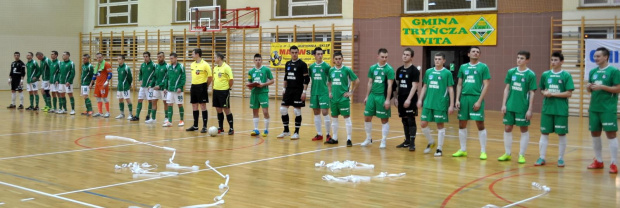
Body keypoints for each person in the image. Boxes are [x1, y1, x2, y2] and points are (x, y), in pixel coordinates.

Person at [535, 51, 574, 167]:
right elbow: (542, 89)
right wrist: (545, 92)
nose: (553, 62)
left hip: (561, 109)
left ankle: (561, 158)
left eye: (556, 60)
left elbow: (569, 93)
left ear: (561, 62)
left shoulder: (566, 75)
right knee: (544, 132)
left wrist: (553, 94)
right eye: (552, 60)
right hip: (547, 109)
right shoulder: (545, 74)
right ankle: (542, 157)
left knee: (561, 134)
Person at [453, 46, 491, 159]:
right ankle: (463, 149)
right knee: (462, 124)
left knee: (480, 124)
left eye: (478, 52)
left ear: (480, 55)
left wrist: (479, 101)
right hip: (464, 98)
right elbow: (459, 84)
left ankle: (483, 151)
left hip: (476, 98)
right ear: (468, 54)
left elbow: (486, 85)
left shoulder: (483, 67)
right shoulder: (463, 67)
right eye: (473, 51)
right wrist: (457, 99)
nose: (475, 53)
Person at [586, 47, 620, 174]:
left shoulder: (614, 71)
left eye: (598, 56)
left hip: (608, 109)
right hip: (594, 108)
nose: (595, 58)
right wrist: (589, 87)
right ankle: (598, 161)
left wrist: (602, 87)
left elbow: (618, 89)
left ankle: (613, 163)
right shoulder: (593, 71)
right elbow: (589, 90)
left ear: (606, 57)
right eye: (594, 56)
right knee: (595, 134)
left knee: (610, 135)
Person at [499, 51, 537, 164]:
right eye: (518, 58)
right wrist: (503, 104)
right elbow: (507, 88)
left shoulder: (530, 74)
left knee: (523, 129)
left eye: (522, 58)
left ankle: (521, 155)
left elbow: (532, 92)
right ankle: (507, 153)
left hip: (522, 107)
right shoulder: (511, 72)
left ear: (527, 60)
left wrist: (530, 109)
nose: (519, 60)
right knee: (507, 128)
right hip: (510, 105)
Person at [417, 52, 455, 156]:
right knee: (423, 123)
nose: (437, 61)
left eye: (439, 59)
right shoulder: (429, 72)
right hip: (428, 102)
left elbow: (451, 89)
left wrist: (451, 105)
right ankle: (431, 142)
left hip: (440, 103)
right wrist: (420, 100)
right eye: (435, 59)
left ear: (444, 61)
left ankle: (439, 148)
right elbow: (424, 86)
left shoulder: (447, 73)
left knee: (440, 125)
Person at [362, 48, 395, 149]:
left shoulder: (389, 69)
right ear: (378, 57)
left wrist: (388, 99)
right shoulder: (372, 68)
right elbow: (370, 82)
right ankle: (368, 138)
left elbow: (390, 86)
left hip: (382, 96)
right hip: (372, 95)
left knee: (384, 119)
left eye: (386, 57)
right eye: (382, 57)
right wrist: (367, 96)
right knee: (367, 117)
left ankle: (383, 140)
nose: (384, 59)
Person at [325, 52, 359, 146]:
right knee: (334, 118)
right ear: (333, 60)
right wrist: (330, 92)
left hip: (343, 99)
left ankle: (349, 139)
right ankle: (335, 138)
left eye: (339, 58)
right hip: (334, 99)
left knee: (346, 118)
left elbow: (357, 80)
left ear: (342, 59)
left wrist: (351, 92)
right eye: (336, 59)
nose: (338, 60)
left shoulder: (347, 70)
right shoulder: (331, 70)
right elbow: (329, 83)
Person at [277, 45, 309, 140]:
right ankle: (286, 130)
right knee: (282, 109)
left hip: (298, 90)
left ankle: (296, 132)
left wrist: (304, 91)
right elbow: (286, 77)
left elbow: (306, 79)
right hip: (288, 90)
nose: (294, 54)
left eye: (296, 52)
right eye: (293, 52)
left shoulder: (302, 64)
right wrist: (283, 88)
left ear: (298, 53)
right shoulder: (287, 63)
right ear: (290, 53)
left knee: (296, 111)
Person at [394, 48, 420, 151]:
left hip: (411, 99)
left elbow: (414, 87)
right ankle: (407, 141)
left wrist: (408, 100)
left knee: (410, 119)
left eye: (407, 55)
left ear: (411, 57)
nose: (405, 56)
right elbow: (396, 85)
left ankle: (412, 143)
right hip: (401, 98)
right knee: (404, 120)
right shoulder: (399, 70)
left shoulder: (414, 70)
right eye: (404, 54)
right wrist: (396, 98)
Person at [248, 53, 274, 136]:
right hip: (254, 93)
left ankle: (266, 130)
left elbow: (272, 80)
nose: (258, 62)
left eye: (259, 60)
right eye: (256, 60)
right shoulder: (251, 71)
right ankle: (256, 129)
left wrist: (263, 84)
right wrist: (249, 86)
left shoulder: (266, 70)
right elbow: (249, 81)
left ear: (261, 60)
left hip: (263, 93)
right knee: (255, 111)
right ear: (254, 61)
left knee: (265, 112)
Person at [309, 47, 332, 141]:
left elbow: (330, 80)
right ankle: (319, 134)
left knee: (325, 112)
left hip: (324, 93)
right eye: (318, 54)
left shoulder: (327, 66)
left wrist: (330, 92)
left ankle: (328, 134)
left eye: (321, 54)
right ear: (314, 55)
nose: (320, 56)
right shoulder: (311, 67)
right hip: (314, 92)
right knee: (316, 113)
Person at [186, 49, 212, 133]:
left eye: (192, 54)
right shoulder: (192, 64)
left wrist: (206, 86)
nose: (191, 55)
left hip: (202, 86)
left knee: (203, 106)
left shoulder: (205, 64)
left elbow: (210, 77)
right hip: (193, 86)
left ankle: (204, 126)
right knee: (194, 106)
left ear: (197, 54)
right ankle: (195, 125)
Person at [212, 52, 235, 135]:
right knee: (218, 109)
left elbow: (231, 80)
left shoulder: (227, 68)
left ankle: (231, 128)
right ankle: (220, 127)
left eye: (215, 57)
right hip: (216, 91)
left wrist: (227, 88)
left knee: (226, 109)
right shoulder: (215, 68)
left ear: (219, 58)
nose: (214, 59)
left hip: (224, 91)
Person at [163, 53, 185, 127]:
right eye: (170, 58)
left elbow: (183, 77)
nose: (171, 60)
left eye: (172, 58)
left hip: (178, 90)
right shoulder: (169, 67)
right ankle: (169, 121)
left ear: (176, 58)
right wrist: (165, 87)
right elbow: (167, 78)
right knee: (169, 104)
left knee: (179, 104)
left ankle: (181, 120)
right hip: (170, 90)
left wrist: (180, 87)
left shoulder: (181, 67)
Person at [133, 52, 156, 121]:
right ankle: (137, 116)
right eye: (144, 56)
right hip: (143, 86)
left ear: (149, 57)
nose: (145, 58)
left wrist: (152, 82)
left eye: (146, 56)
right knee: (139, 100)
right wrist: (140, 79)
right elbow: (140, 74)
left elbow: (155, 75)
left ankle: (148, 115)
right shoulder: (142, 65)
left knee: (150, 101)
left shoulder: (153, 65)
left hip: (150, 87)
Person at [147, 52, 169, 124]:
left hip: (163, 88)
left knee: (165, 102)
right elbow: (154, 77)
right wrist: (151, 85)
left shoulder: (167, 66)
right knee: (153, 101)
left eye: (160, 57)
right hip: (156, 88)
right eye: (158, 57)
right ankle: (153, 118)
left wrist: (160, 85)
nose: (159, 58)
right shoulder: (156, 66)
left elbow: (167, 78)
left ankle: (166, 118)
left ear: (164, 57)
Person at [90, 53, 112, 118]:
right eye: (97, 58)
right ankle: (100, 112)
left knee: (104, 98)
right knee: (98, 99)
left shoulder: (106, 64)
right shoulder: (97, 65)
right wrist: (91, 83)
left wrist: (107, 81)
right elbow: (94, 75)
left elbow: (110, 74)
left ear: (102, 57)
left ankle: (108, 112)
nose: (98, 59)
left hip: (103, 85)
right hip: (97, 85)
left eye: (100, 57)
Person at [115, 55, 134, 120]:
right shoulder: (118, 68)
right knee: (120, 100)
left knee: (127, 99)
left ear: (123, 60)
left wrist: (129, 84)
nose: (118, 60)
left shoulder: (126, 68)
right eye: (117, 59)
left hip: (125, 87)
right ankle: (122, 114)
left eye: (120, 59)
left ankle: (130, 114)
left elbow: (130, 77)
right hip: (119, 87)